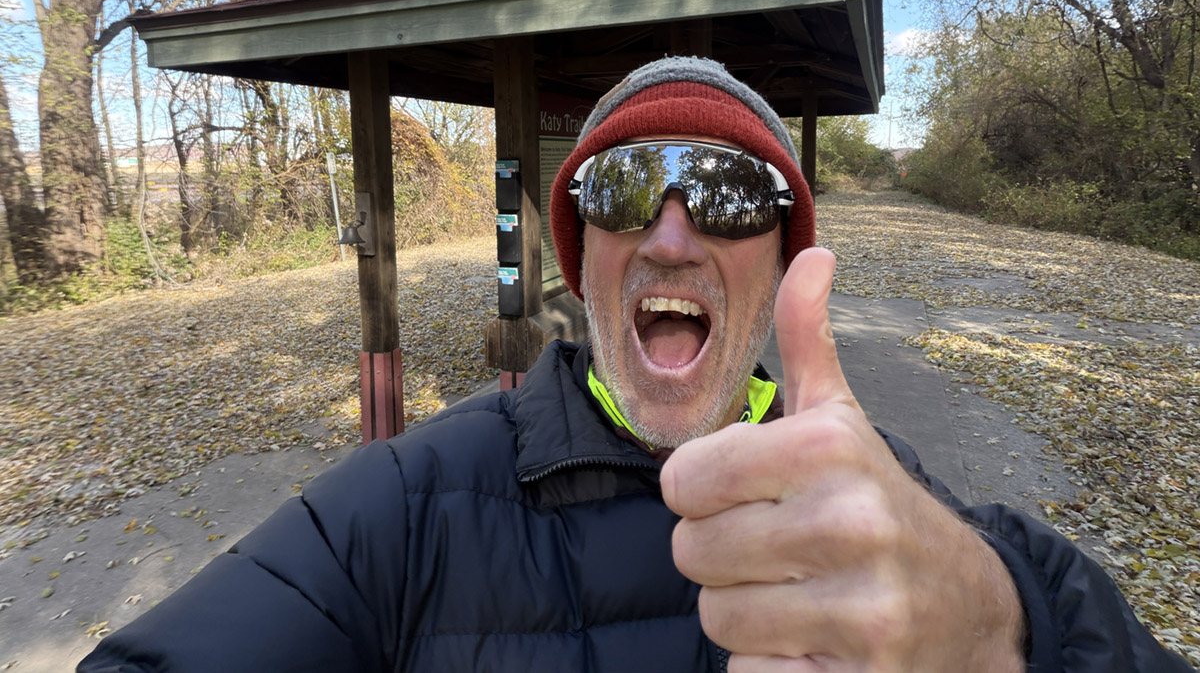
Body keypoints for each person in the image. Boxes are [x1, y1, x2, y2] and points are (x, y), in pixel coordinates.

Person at [80, 57, 1189, 672]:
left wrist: (1008, 629)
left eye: (723, 194)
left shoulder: (881, 503)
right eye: (620, 191)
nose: (670, 237)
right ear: (584, 253)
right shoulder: (404, 506)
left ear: (780, 260)